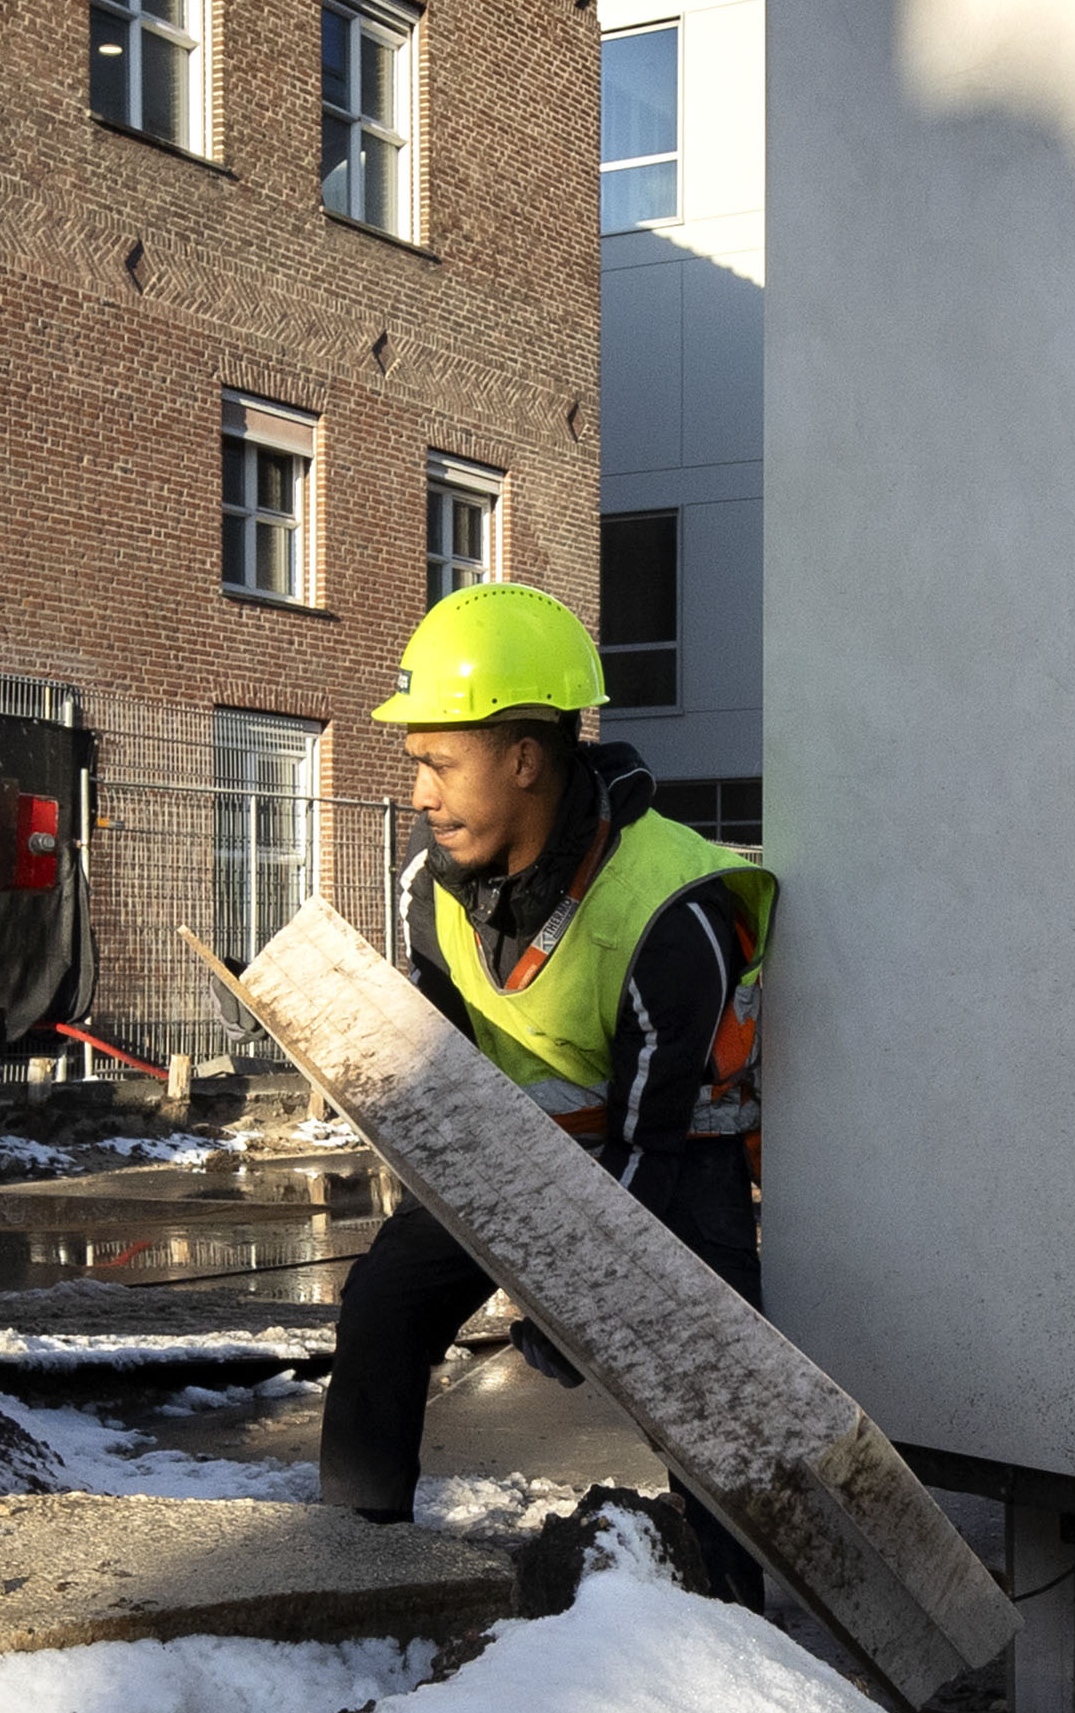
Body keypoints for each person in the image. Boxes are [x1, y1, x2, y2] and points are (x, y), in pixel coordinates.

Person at [316, 582, 776, 1593]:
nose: (421, 795)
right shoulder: (429, 886)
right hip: (515, 1154)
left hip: (673, 1168)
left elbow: (651, 1143)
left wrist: (573, 1301)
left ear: (524, 759)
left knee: (706, 1395)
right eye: (416, 766)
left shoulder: (670, 902)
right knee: (386, 1306)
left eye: (439, 764)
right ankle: (356, 1563)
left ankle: (740, 1631)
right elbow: (440, 1070)